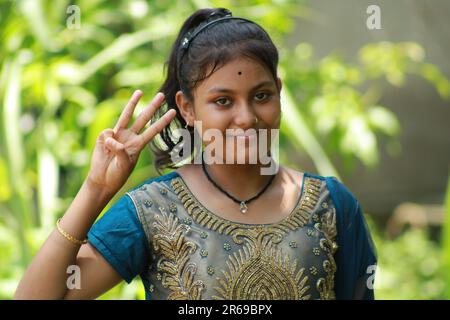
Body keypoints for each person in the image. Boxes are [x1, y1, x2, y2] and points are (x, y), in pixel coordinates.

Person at [14, 7, 377, 300]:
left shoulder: (331, 206)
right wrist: (95, 189)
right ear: (187, 108)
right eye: (223, 101)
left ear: (279, 93)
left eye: (261, 96)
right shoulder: (153, 212)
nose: (246, 119)